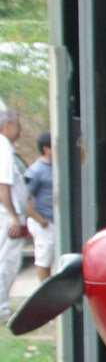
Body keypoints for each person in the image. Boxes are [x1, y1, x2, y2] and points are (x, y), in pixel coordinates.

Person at [0, 106, 29, 318]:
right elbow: (3, 184)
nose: (19, 129)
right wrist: (12, 215)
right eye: (17, 124)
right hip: (8, 212)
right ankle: (1, 307)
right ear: (8, 125)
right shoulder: (3, 147)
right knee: (8, 260)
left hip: (9, 210)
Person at [23, 134, 53, 283]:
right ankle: (45, 292)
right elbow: (24, 198)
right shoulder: (35, 171)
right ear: (46, 149)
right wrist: (40, 220)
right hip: (45, 223)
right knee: (44, 259)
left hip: (55, 221)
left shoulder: (58, 168)